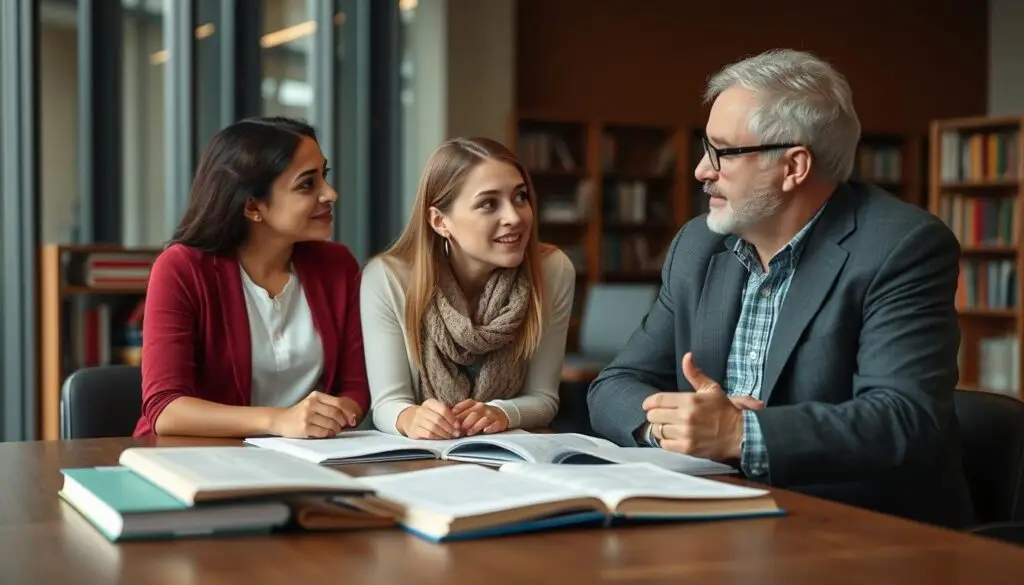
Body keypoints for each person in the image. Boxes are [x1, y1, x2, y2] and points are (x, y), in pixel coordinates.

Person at [586, 49, 974, 528]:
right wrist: (668, 427)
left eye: (721, 152)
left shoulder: (901, 247)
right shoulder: (698, 245)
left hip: (860, 531)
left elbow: (905, 419)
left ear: (794, 166)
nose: (701, 171)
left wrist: (741, 434)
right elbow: (615, 385)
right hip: (714, 511)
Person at [134, 116, 370, 439]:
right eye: (307, 184)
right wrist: (277, 421)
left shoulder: (337, 266)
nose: (330, 194)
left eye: (324, 176)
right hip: (192, 463)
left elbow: (355, 389)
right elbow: (166, 408)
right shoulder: (181, 269)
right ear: (252, 206)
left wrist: (331, 416)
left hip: (307, 462)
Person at [361, 137, 576, 440]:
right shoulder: (388, 278)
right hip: (421, 457)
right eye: (489, 204)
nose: (514, 217)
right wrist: (410, 418)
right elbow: (387, 405)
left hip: (508, 455)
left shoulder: (552, 270)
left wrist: (501, 413)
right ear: (440, 221)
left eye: (520, 197)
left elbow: (544, 398)